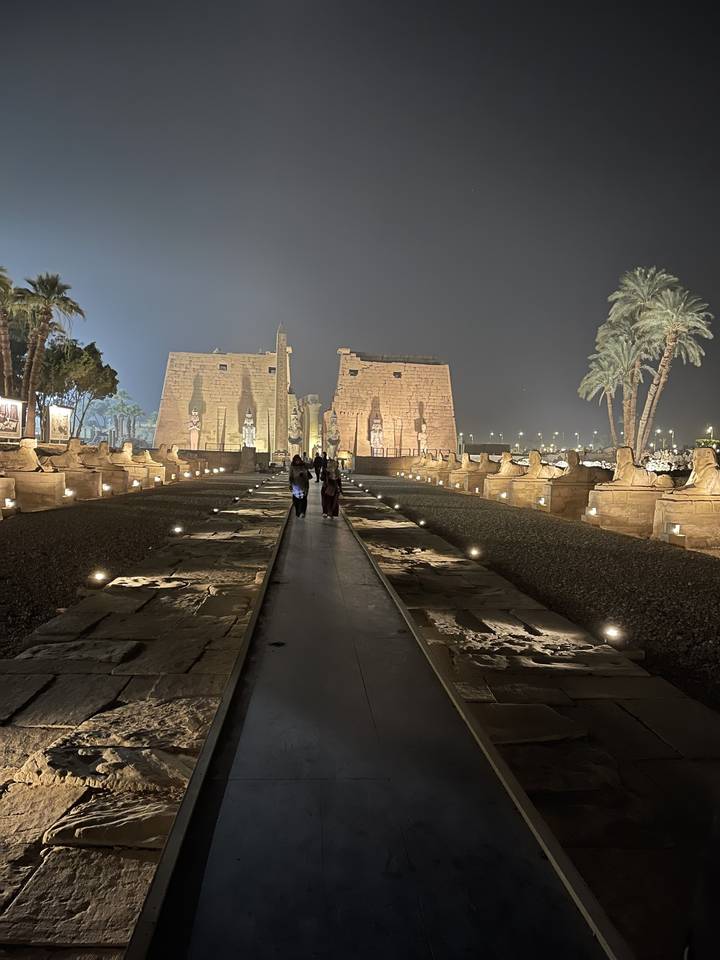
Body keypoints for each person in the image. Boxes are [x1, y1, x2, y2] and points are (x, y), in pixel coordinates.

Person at [288, 454, 310, 518]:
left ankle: (303, 512)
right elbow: (290, 476)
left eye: (298, 460)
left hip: (304, 485)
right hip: (295, 485)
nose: (297, 461)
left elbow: (308, 471)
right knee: (296, 500)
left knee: (304, 499)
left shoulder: (304, 465)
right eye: (296, 460)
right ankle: (298, 511)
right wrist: (290, 484)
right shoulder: (292, 466)